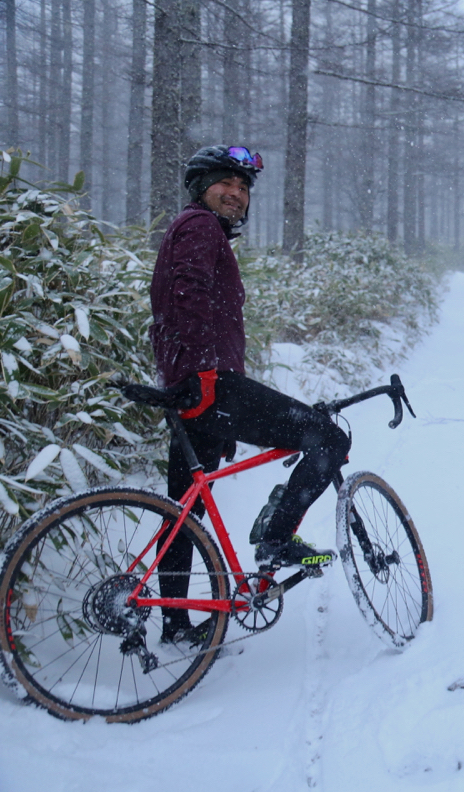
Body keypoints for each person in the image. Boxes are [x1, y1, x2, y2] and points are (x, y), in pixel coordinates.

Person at [150, 145, 349, 646]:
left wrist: (197, 393)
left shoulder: (197, 230)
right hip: (208, 382)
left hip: (192, 387)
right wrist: (205, 381)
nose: (236, 194)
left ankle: (173, 621)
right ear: (202, 188)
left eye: (243, 188)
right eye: (226, 184)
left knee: (183, 511)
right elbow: (187, 294)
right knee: (328, 440)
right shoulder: (198, 228)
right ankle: (278, 539)